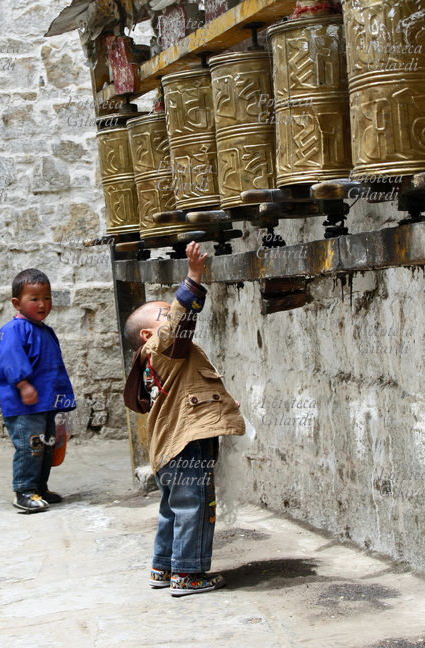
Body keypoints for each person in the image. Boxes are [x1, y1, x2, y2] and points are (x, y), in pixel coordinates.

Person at [123, 241, 245, 596]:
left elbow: (189, 394)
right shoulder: (161, 347)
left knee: (173, 508)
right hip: (187, 446)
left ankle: (163, 567)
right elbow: (179, 323)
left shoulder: (163, 362)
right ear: (149, 335)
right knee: (195, 505)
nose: (173, 316)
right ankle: (189, 574)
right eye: (165, 314)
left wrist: (223, 404)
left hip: (169, 447)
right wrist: (193, 277)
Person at [0, 268, 75, 513]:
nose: (43, 304)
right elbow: (10, 359)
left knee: (48, 445)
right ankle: (24, 490)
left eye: (47, 298)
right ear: (17, 303)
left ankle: (40, 487)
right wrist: (23, 384)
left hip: (46, 404)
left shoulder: (45, 331)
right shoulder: (13, 330)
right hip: (25, 406)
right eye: (35, 299)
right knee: (31, 446)